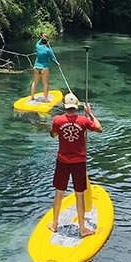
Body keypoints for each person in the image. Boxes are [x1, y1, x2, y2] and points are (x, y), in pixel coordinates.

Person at [48, 93, 102, 236]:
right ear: (76, 106)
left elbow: (52, 134)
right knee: (79, 195)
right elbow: (99, 128)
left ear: (65, 106)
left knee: (59, 192)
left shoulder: (57, 120)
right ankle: (83, 229)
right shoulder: (83, 121)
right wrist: (90, 114)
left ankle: (54, 224)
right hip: (79, 162)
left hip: (62, 162)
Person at [31, 34, 59, 102]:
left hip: (36, 67)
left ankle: (32, 97)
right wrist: (57, 63)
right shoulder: (48, 50)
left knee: (35, 82)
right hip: (44, 68)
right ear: (47, 42)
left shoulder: (37, 46)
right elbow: (53, 59)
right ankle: (46, 99)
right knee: (45, 84)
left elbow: (38, 42)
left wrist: (42, 37)